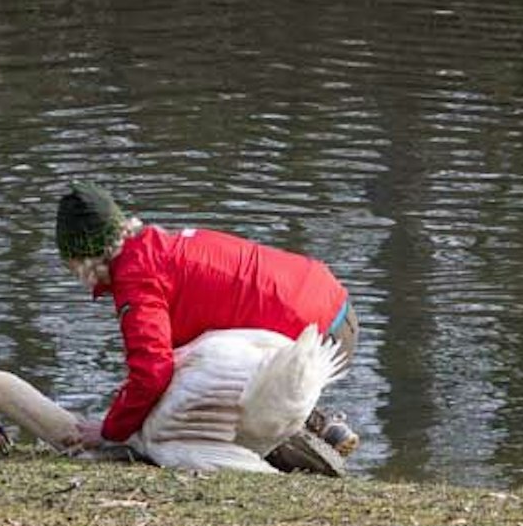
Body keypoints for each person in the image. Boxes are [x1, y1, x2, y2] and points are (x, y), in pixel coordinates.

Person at [55, 181, 357, 451]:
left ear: (82, 259)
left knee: (201, 428)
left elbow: (151, 372)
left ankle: (303, 440)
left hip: (317, 340)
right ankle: (319, 425)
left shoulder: (137, 279)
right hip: (333, 306)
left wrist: (110, 431)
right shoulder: (159, 247)